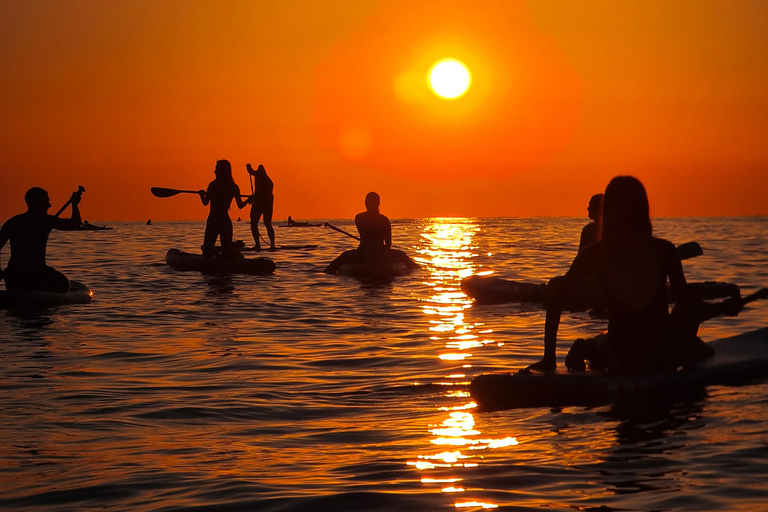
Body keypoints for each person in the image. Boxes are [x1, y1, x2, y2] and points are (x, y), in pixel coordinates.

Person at [529, 176, 742, 375]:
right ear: (643, 209)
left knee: (605, 342)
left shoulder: (594, 254)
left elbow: (555, 301)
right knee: (690, 322)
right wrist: (722, 308)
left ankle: (586, 348)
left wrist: (549, 359)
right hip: (661, 356)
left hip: (618, 356)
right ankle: (695, 349)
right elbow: (687, 307)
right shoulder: (665, 250)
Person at [0, 187, 83, 292]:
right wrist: (74, 205)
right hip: (35, 275)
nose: (49, 205)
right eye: (47, 201)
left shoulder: (13, 221)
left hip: (14, 277)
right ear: (38, 203)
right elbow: (75, 224)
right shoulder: (46, 220)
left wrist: (1, 272)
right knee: (64, 283)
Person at [324, 191, 392, 273]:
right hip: (365, 253)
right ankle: (326, 272)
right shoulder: (361, 218)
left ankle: (326, 272)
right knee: (344, 255)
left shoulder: (363, 218)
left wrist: (382, 257)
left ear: (378, 203)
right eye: (368, 202)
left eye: (371, 202)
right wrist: (373, 258)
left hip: (376, 253)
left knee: (344, 256)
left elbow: (388, 243)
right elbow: (369, 240)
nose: (369, 205)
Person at [199, 160, 247, 257]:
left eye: (216, 169)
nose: (214, 171)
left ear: (221, 171)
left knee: (207, 251)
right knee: (226, 251)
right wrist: (249, 200)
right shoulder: (233, 187)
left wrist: (201, 195)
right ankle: (227, 256)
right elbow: (240, 205)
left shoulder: (213, 185)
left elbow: (205, 202)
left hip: (213, 221)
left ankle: (215, 255)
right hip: (225, 222)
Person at [245, 164, 275, 251]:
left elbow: (251, 172)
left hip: (264, 205)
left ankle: (271, 244)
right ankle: (260, 244)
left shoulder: (268, 182)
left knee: (266, 224)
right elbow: (251, 172)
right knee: (255, 223)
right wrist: (248, 168)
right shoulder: (264, 178)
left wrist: (248, 167)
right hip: (262, 204)